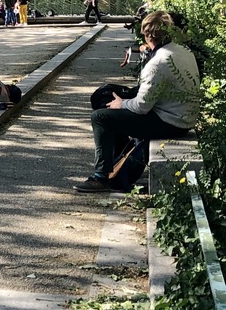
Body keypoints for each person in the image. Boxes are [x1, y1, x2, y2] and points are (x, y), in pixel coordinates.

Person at [74, 11, 201, 192]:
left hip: (169, 122)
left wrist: (122, 104)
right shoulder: (182, 51)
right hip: (183, 116)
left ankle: (101, 177)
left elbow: (141, 107)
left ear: (147, 34)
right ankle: (120, 160)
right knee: (110, 100)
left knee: (100, 117)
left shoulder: (158, 62)